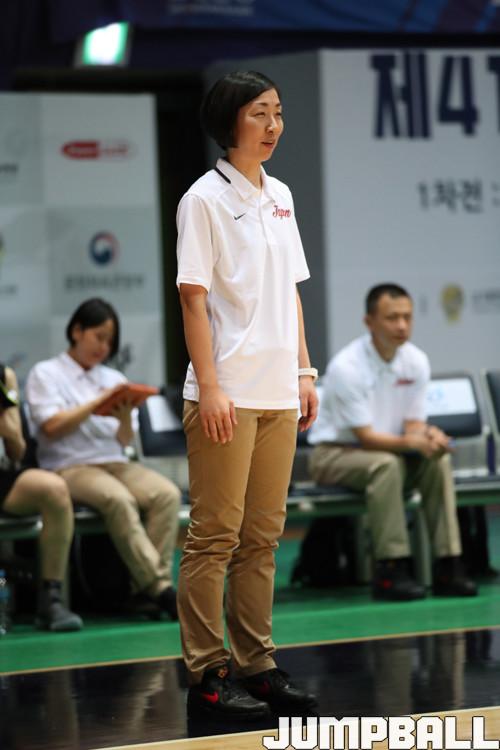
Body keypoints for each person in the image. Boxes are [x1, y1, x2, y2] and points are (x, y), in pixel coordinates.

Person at [176, 70, 319, 719]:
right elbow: (193, 299)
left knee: (263, 536)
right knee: (214, 537)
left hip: (279, 393)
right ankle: (208, 671)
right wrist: (209, 387)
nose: (273, 125)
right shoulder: (202, 199)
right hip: (226, 394)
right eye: (260, 113)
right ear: (229, 120)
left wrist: (305, 372)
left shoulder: (281, 195)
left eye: (278, 112)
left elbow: (291, 291)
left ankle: (257, 664)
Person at [308, 283, 477, 601]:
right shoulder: (347, 367)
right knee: (386, 466)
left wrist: (428, 434)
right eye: (392, 318)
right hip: (336, 455)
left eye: (407, 317)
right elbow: (366, 437)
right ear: (369, 322)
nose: (401, 325)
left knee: (437, 460)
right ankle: (391, 568)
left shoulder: (416, 360)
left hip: (390, 452)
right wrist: (415, 441)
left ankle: (449, 564)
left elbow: (412, 424)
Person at [25, 298, 181, 620]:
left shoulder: (113, 378)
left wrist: (123, 417)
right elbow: (51, 426)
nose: (104, 347)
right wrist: (97, 404)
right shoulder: (47, 373)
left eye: (110, 341)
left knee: (167, 494)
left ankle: (144, 593)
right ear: (77, 331)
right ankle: (161, 588)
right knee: (118, 499)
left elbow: (124, 440)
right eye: (98, 337)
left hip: (115, 461)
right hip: (69, 466)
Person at [0, 363, 83, 631]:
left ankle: (51, 599)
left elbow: (17, 451)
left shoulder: (4, 375)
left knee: (53, 489)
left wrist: (9, 428)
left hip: (3, 474)